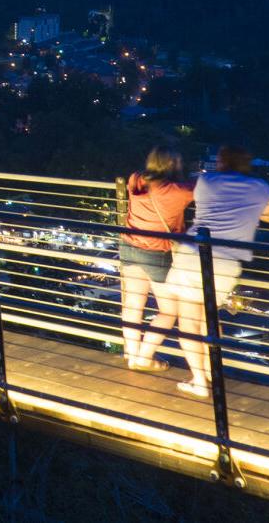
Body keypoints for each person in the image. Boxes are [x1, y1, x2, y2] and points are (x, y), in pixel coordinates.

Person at [170, 145, 269, 398]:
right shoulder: (262, 188)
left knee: (188, 323)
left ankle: (199, 380)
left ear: (221, 161)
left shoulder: (206, 181)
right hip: (227, 262)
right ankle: (211, 372)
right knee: (210, 319)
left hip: (193, 254)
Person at [119, 147, 194, 371]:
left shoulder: (135, 179)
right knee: (168, 311)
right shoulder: (177, 191)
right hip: (156, 252)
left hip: (129, 245)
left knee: (133, 306)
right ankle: (144, 357)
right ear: (171, 165)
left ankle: (132, 355)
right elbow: (206, 187)